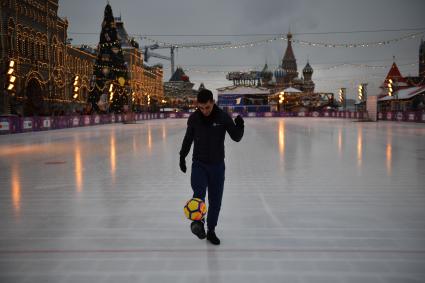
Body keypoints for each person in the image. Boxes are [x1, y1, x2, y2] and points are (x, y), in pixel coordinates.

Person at [179, 88, 244, 245]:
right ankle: (198, 224)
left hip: (217, 166)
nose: (204, 111)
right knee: (199, 195)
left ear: (212, 103)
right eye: (201, 108)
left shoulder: (222, 117)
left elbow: (236, 137)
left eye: (207, 107)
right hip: (199, 164)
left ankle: (211, 230)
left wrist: (240, 126)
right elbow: (188, 139)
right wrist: (182, 156)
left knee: (215, 201)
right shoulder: (194, 118)